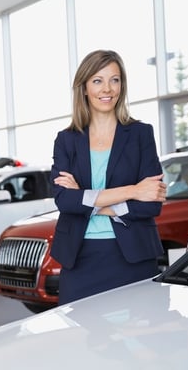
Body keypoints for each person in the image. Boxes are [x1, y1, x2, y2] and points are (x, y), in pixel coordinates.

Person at [50, 49, 167, 305]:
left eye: (115, 79)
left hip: (132, 256)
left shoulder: (140, 134)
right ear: (84, 88)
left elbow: (152, 203)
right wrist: (134, 191)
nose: (107, 89)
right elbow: (64, 201)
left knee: (137, 340)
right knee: (81, 342)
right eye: (97, 80)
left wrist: (88, 201)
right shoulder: (67, 140)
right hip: (80, 258)